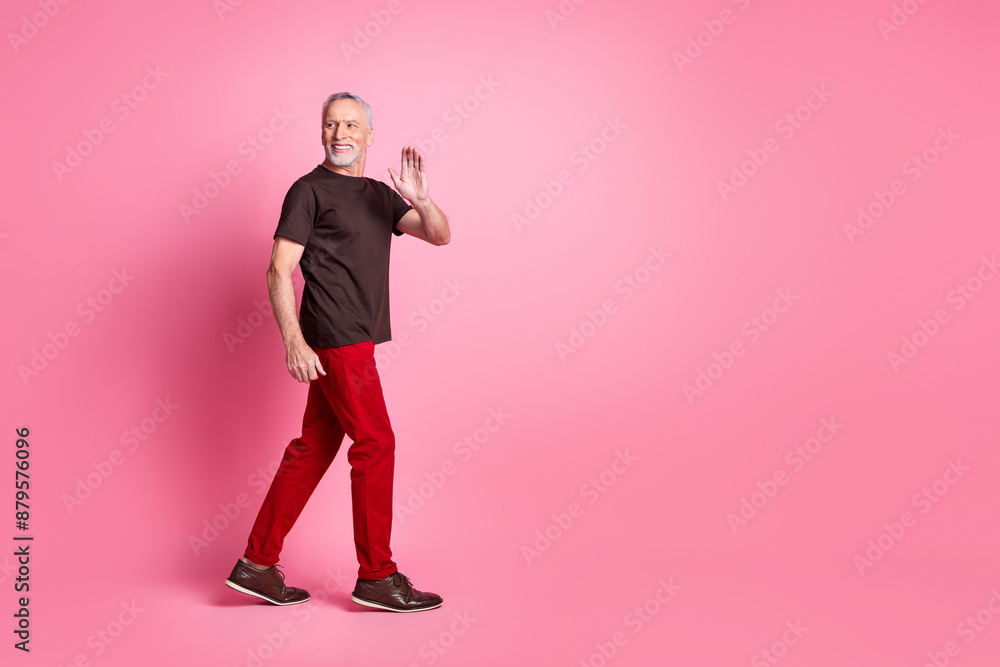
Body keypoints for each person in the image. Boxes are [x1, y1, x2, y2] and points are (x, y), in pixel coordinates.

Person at [224, 92, 450, 612]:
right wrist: (293, 342)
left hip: (356, 336)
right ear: (321, 133)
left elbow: (439, 236)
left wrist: (421, 198)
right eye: (331, 124)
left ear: (370, 134)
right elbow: (277, 269)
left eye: (351, 124)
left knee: (313, 449)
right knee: (376, 443)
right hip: (338, 335)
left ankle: (255, 565)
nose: (340, 133)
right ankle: (377, 576)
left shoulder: (377, 195)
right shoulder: (308, 191)